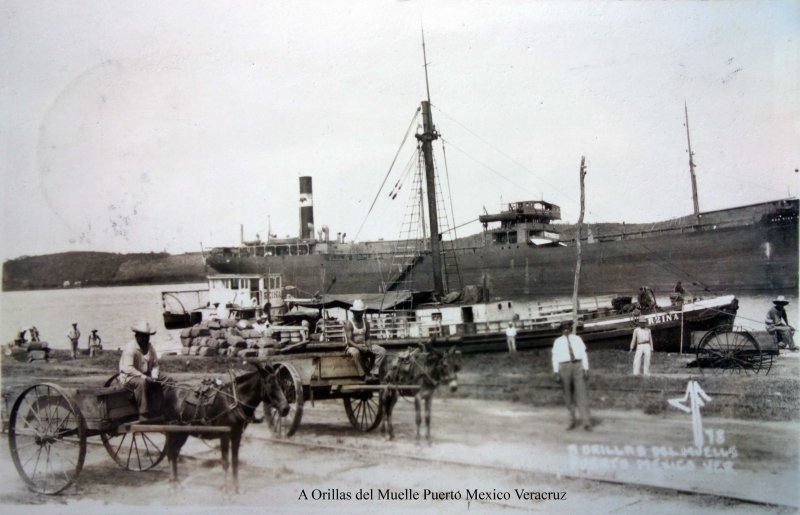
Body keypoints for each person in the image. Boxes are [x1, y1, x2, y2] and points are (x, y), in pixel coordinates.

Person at [119, 321, 173, 423]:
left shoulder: (150, 347)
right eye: (143, 336)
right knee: (141, 383)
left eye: (147, 336)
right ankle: (143, 413)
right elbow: (128, 368)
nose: (145, 339)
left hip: (146, 375)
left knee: (168, 379)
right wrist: (145, 377)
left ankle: (164, 407)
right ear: (137, 335)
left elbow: (155, 364)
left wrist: (154, 377)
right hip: (129, 377)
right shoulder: (130, 348)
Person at [551, 320, 591, 431]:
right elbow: (555, 357)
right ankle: (571, 421)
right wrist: (556, 372)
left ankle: (586, 422)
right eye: (563, 328)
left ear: (570, 328)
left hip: (577, 366)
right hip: (564, 368)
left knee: (582, 394)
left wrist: (586, 368)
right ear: (561, 330)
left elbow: (584, 354)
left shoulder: (577, 339)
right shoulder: (557, 342)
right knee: (568, 395)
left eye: (568, 327)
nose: (566, 330)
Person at [344, 299, 386, 383]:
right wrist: (358, 347)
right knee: (356, 353)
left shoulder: (366, 323)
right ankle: (363, 374)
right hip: (352, 346)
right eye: (358, 312)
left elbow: (367, 338)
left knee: (381, 351)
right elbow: (349, 341)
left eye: (361, 312)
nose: (360, 314)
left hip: (364, 345)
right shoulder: (349, 323)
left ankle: (374, 371)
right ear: (354, 312)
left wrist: (369, 347)